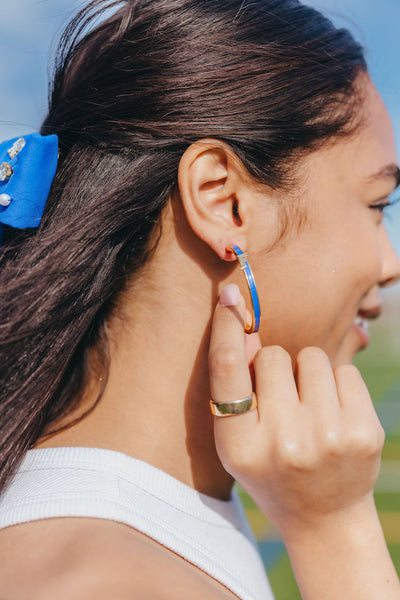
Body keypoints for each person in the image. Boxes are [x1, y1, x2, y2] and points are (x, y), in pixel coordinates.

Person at [0, 0, 399, 598]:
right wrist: (335, 534)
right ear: (222, 201)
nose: (392, 266)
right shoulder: (114, 584)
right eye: (376, 206)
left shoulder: (130, 531)